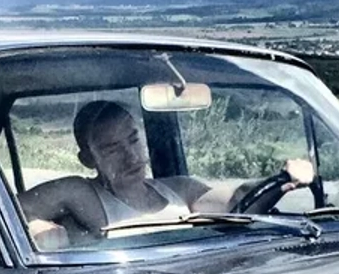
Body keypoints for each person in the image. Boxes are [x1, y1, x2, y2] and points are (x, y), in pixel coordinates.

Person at [19, 100, 211, 243]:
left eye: (134, 140)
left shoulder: (182, 189)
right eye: (113, 150)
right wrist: (35, 226)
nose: (132, 157)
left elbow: (236, 203)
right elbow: (4, 210)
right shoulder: (79, 194)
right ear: (88, 160)